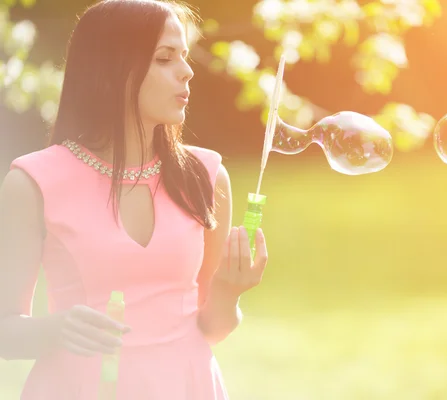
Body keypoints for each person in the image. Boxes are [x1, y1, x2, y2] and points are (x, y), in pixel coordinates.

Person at [0, 0, 268, 398]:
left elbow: (212, 328)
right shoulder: (32, 182)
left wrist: (229, 292)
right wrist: (54, 329)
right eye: (164, 58)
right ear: (113, 69)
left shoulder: (206, 177)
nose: (187, 71)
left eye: (184, 56)